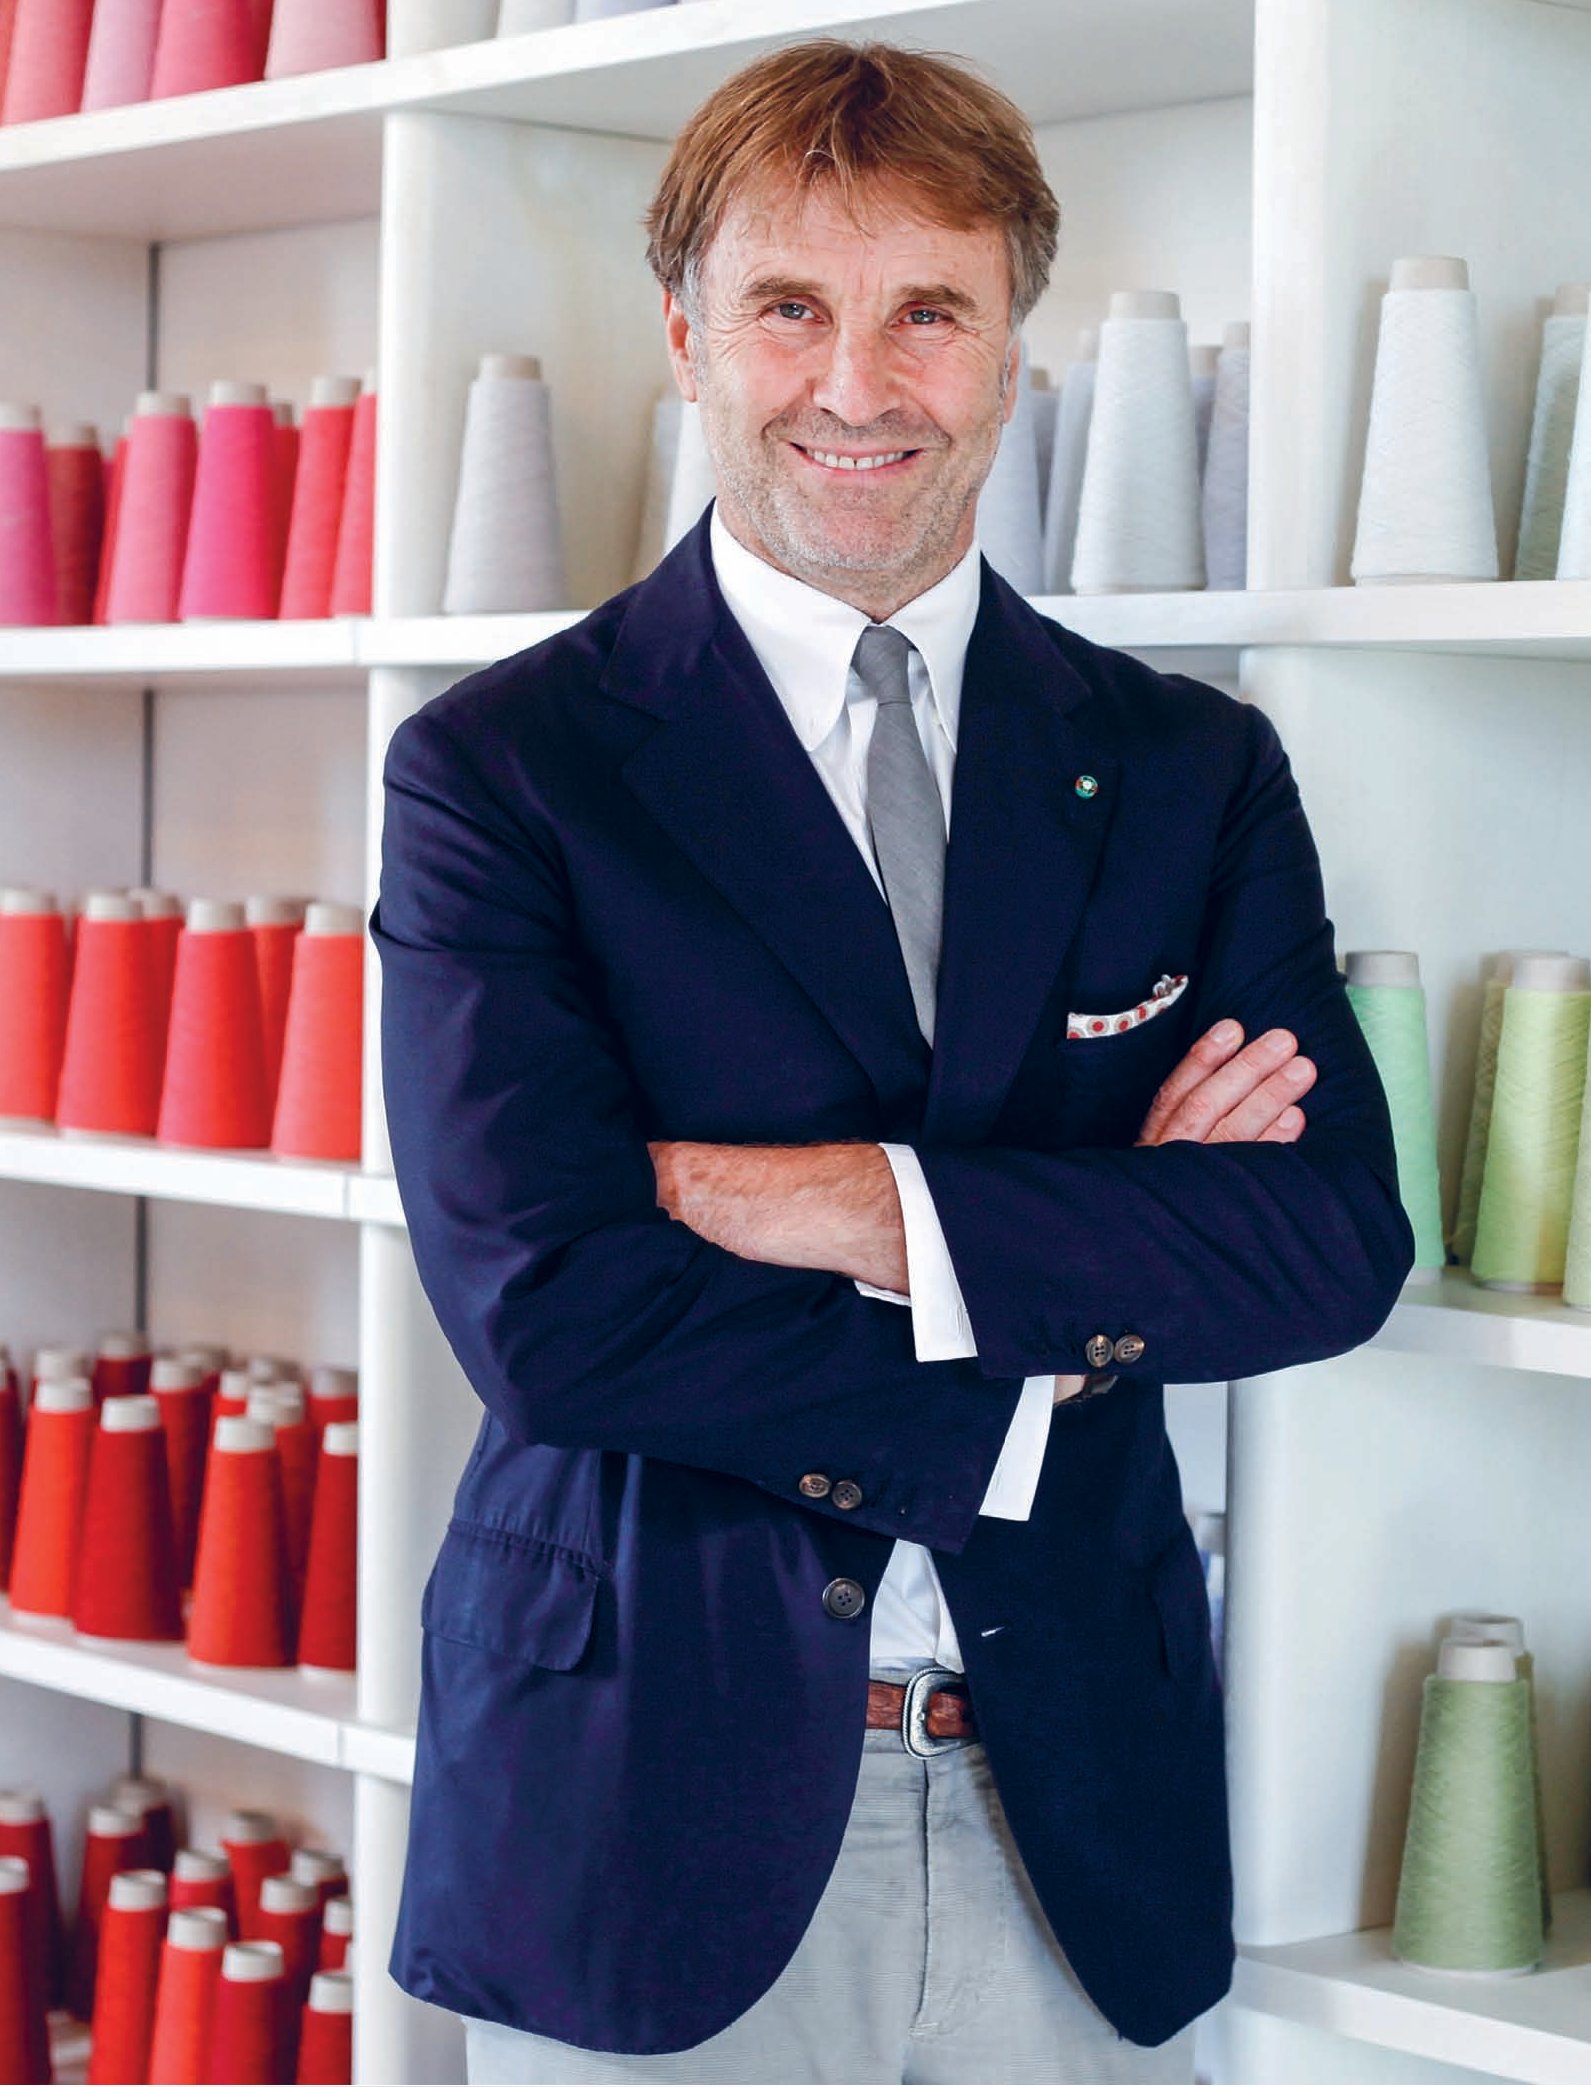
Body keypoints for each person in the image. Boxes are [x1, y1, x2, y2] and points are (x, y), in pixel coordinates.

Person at [371, 38, 1414, 2087]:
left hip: (1077, 1811)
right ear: (688, 339)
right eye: (790, 308)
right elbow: (555, 1315)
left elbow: (1321, 1246)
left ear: (1011, 358)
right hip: (650, 1812)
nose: (858, 385)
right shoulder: (505, 772)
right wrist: (1079, 1276)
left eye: (928, 311)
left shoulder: (1191, 771)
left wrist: (855, 1208)